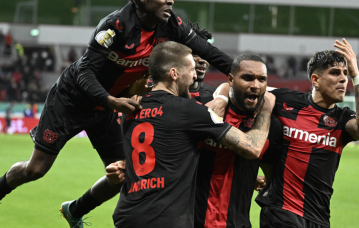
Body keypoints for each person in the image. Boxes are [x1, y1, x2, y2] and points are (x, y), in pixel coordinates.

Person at [0, 0, 233, 228]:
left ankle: (75, 210)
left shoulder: (171, 25)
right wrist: (111, 100)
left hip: (105, 107)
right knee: (36, 169)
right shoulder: (115, 26)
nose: (170, 1)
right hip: (71, 100)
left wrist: (240, 74)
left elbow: (207, 51)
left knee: (124, 174)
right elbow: (84, 72)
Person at [107, 41, 274, 228]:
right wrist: (266, 109)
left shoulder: (131, 110)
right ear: (174, 74)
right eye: (191, 69)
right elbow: (252, 147)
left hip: (127, 215)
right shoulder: (189, 111)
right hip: (166, 218)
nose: (195, 75)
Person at [256, 39, 359, 228]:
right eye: (335, 73)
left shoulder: (342, 118)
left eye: (345, 73)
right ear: (315, 80)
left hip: (319, 218)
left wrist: (356, 75)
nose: (343, 79)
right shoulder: (286, 101)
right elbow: (245, 83)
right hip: (282, 211)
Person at [194, 53, 282, 228]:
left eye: (262, 79)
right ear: (231, 80)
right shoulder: (206, 108)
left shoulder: (272, 126)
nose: (255, 85)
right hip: (193, 221)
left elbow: (271, 179)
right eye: (247, 78)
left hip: (238, 223)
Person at [187, 22, 216, 104]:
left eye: (205, 55)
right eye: (195, 54)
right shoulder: (164, 94)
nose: (203, 60)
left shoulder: (214, 96)